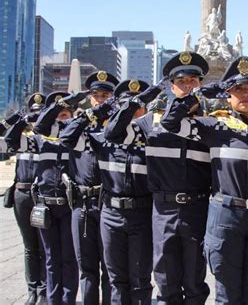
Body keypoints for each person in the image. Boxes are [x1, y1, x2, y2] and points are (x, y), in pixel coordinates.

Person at [160, 56, 248, 304]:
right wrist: (202, 92)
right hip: (226, 218)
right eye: (237, 89)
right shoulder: (215, 126)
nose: (245, 94)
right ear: (228, 94)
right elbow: (170, 122)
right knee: (227, 295)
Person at [105, 51, 212, 304]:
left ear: (201, 84)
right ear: (171, 86)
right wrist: (139, 100)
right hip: (164, 208)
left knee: (195, 281)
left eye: (193, 81)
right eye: (181, 81)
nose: (188, 87)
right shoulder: (151, 121)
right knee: (165, 280)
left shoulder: (211, 121)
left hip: (198, 207)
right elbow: (113, 133)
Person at [7, 91, 80, 305]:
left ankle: (67, 300)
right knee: (50, 257)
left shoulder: (77, 138)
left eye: (65, 114)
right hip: (45, 206)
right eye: (57, 115)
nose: (61, 119)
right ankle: (50, 298)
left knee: (68, 257)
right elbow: (10, 141)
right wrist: (22, 119)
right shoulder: (39, 141)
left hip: (69, 206)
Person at [58, 71, 119, 305]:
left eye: (105, 95)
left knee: (110, 267)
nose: (100, 100)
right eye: (96, 95)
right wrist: (86, 114)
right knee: (87, 267)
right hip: (82, 204)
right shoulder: (80, 125)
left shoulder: (119, 126)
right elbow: (64, 137)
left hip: (108, 204)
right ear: (89, 98)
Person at [95, 79, 154, 304]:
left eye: (139, 106)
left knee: (140, 279)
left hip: (142, 214)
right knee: (116, 279)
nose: (134, 111)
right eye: (128, 105)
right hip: (110, 214)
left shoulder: (154, 140)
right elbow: (69, 136)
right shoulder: (103, 139)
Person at [3, 93, 47, 305]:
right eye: (33, 114)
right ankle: (33, 290)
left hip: (42, 195)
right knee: (30, 247)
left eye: (40, 114)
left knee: (45, 245)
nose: (36, 119)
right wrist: (19, 119)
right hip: (22, 194)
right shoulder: (20, 138)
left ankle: (45, 291)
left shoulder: (48, 137)